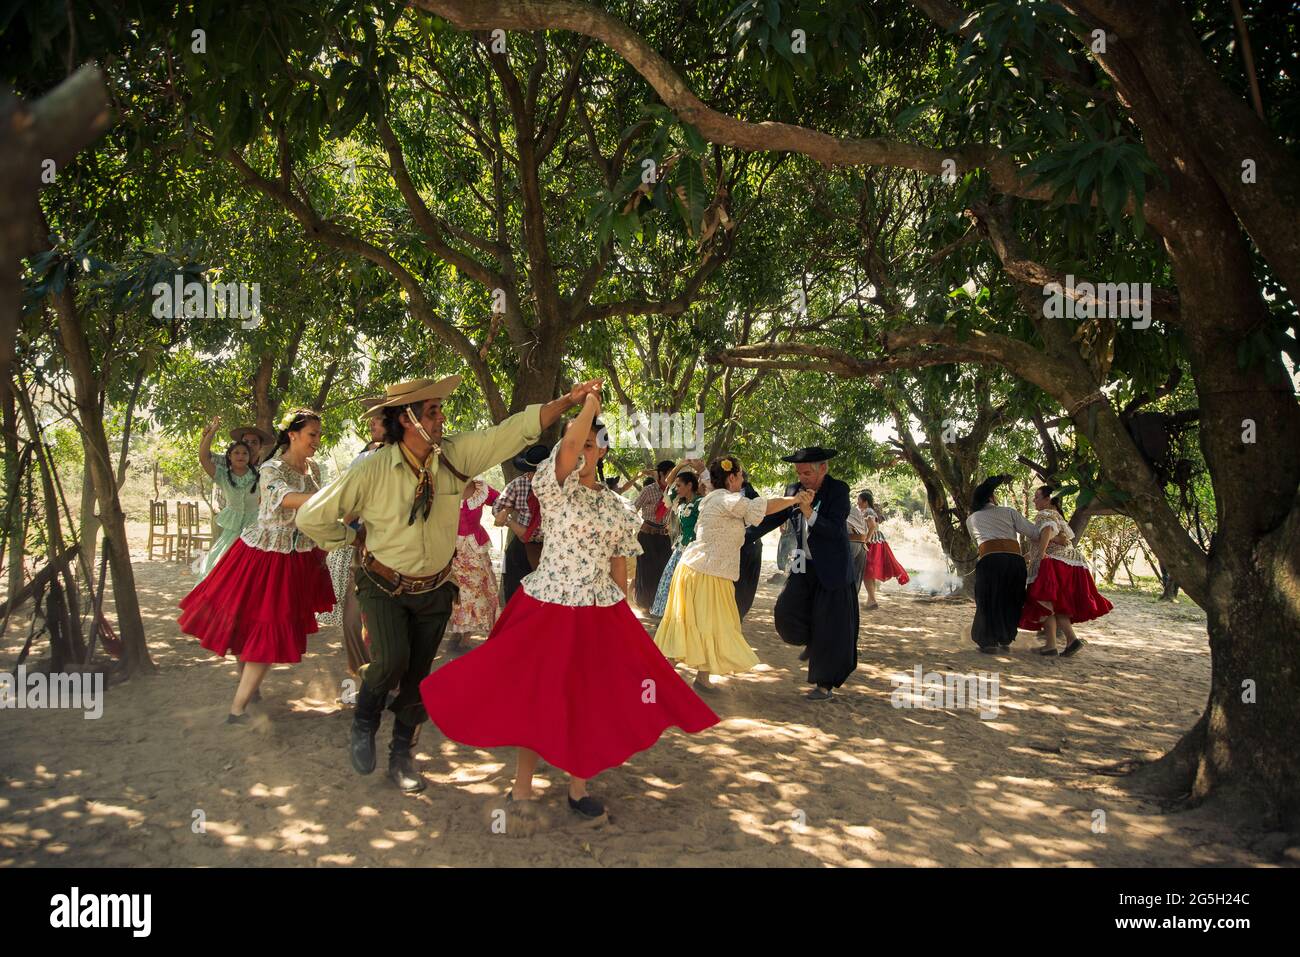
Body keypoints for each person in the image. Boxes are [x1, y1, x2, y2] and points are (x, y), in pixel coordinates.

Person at [295, 375, 602, 794]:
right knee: (388, 662)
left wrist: (568, 399)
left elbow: (511, 431)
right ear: (406, 419)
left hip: (436, 589)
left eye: (440, 410)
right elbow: (311, 517)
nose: (442, 419)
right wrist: (351, 538)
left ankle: (402, 757)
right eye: (432, 411)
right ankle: (365, 718)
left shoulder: (455, 455)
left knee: (420, 678)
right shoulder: (370, 469)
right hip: (382, 585)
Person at [420, 390, 719, 818]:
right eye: (575, 441)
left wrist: (624, 619)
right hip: (548, 604)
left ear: (604, 448)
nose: (579, 447)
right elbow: (570, 446)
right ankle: (522, 787)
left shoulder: (615, 506)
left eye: (591, 440)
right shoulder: (556, 487)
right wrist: (588, 409)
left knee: (589, 696)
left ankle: (578, 788)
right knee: (533, 692)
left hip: (598, 610)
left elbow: (619, 565)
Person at [179, 409, 335, 722]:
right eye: (312, 435)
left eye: (318, 435)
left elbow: (315, 510)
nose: (317, 441)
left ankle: (246, 692)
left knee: (257, 628)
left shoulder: (314, 469)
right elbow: (287, 499)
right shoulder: (271, 468)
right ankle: (238, 709)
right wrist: (336, 496)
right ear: (293, 435)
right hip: (264, 556)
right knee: (262, 629)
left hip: (296, 557)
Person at [655, 455, 802, 692]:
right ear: (732, 478)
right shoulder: (727, 499)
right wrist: (794, 499)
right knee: (695, 626)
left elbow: (711, 481)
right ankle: (655, 680)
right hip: (705, 573)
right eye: (741, 476)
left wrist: (702, 469)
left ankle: (702, 678)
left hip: (704, 571)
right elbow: (763, 507)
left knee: (711, 625)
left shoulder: (714, 496)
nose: (743, 480)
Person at [749, 447, 858, 701]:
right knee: (785, 612)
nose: (803, 478)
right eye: (799, 473)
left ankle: (824, 685)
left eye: (808, 473)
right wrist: (743, 537)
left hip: (832, 569)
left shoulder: (838, 491)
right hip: (803, 565)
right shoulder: (793, 490)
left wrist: (809, 512)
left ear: (824, 468)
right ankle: (812, 638)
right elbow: (774, 519)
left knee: (831, 627)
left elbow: (834, 530)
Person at [318, 400, 387, 676]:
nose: (372, 423)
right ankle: (365, 674)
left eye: (378, 419)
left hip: (384, 540)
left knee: (380, 617)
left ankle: (386, 678)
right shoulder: (367, 452)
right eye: (370, 420)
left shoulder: (395, 454)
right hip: (360, 543)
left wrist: (345, 522)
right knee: (352, 617)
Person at [1019, 485, 1112, 656]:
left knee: (1044, 602)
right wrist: (1029, 556)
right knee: (1054, 604)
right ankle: (1065, 642)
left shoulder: (1044, 514)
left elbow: (1047, 531)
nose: (1034, 500)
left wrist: (1041, 554)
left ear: (1047, 499)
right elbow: (1059, 538)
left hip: (1055, 563)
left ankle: (1056, 644)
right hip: (1070, 563)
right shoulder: (1056, 514)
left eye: (1037, 497)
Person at [965, 474, 1039, 653]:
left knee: (987, 599)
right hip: (1014, 561)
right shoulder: (1009, 512)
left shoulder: (972, 519)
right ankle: (1005, 637)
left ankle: (988, 641)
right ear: (991, 497)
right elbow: (1034, 533)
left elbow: (978, 543)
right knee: (1012, 598)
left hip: (990, 561)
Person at [194, 416, 260, 581]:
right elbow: (204, 457)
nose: (243, 454)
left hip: (256, 528)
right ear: (229, 456)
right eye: (237, 452)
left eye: (252, 445)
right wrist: (211, 432)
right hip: (231, 528)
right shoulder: (223, 473)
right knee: (223, 570)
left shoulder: (263, 471)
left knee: (253, 572)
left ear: (260, 447)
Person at [445, 477, 501, 653]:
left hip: (476, 551)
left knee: (477, 592)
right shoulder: (444, 488)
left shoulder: (481, 489)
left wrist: (502, 513)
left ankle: (466, 636)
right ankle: (457, 632)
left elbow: (503, 501)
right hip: (450, 551)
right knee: (457, 592)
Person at [493, 443, 550, 605]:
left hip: (551, 550)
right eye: (530, 472)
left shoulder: (559, 487)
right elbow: (497, 509)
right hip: (521, 550)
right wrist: (507, 517)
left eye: (538, 472)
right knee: (515, 594)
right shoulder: (519, 484)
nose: (532, 476)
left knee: (544, 601)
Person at [649, 460, 704, 618]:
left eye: (680, 485)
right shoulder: (678, 502)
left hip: (695, 550)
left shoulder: (701, 503)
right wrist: (680, 465)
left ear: (690, 485)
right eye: (677, 485)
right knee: (670, 580)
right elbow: (668, 481)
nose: (676, 488)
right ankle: (672, 615)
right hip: (680, 548)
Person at [631, 460, 676, 610]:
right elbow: (633, 509)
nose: (673, 477)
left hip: (664, 537)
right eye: (671, 473)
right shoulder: (648, 490)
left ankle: (660, 605)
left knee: (664, 570)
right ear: (662, 474)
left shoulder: (674, 492)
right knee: (647, 571)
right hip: (647, 536)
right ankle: (646, 604)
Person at [860, 490, 910, 608]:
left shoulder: (868, 511)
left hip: (872, 542)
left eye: (859, 501)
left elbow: (872, 527)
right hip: (878, 541)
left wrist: (866, 541)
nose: (858, 503)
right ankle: (871, 599)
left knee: (867, 572)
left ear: (865, 501)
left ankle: (871, 600)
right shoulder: (872, 510)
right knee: (869, 573)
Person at [734, 471, 764, 619]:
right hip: (732, 545)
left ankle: (739, 614)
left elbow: (762, 517)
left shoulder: (753, 496)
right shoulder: (721, 495)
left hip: (750, 546)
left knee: (747, 583)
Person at [769, 520, 797, 584]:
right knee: (783, 554)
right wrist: (781, 525)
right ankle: (786, 575)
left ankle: (789, 576)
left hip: (795, 531)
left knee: (792, 553)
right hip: (787, 529)